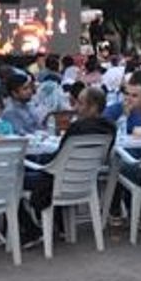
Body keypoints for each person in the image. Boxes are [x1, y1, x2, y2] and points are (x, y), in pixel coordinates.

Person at [22, 86, 117, 243]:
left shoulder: (77, 128)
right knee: (46, 165)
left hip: (59, 180)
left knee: (13, 179)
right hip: (85, 180)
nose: (75, 107)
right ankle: (60, 226)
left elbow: (58, 159)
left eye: (80, 103)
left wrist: (37, 160)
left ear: (93, 107)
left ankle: (29, 230)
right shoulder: (111, 129)